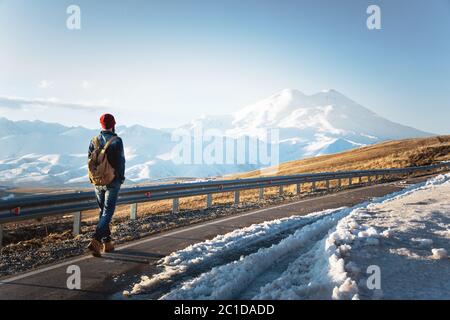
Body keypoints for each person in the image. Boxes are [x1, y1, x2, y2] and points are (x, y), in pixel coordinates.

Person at [87, 113, 125, 256]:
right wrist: (120, 179)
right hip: (112, 181)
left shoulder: (94, 140)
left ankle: (107, 243)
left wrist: (93, 179)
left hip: (97, 181)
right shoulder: (117, 140)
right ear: (113, 124)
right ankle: (96, 240)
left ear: (101, 125)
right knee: (108, 212)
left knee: (102, 211)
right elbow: (120, 162)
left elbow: (90, 161)